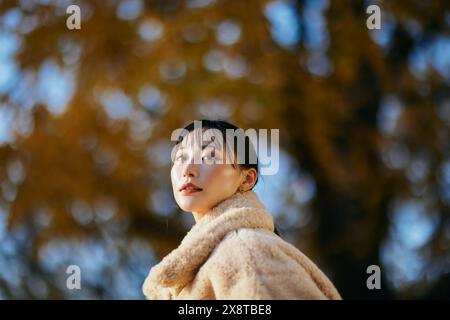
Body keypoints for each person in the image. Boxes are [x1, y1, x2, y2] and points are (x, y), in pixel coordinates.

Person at [142, 120, 342, 300]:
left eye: (209, 155)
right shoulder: (207, 261)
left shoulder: (247, 250)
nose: (187, 169)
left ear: (247, 179)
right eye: (180, 158)